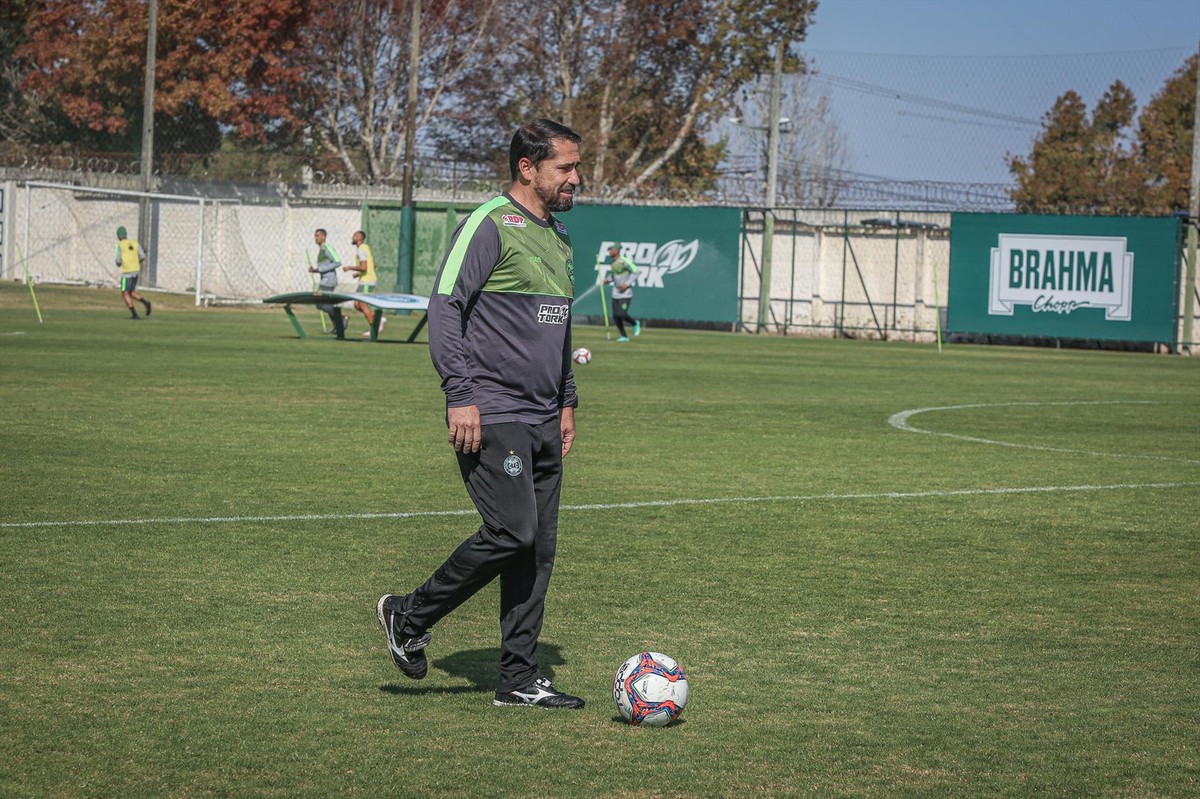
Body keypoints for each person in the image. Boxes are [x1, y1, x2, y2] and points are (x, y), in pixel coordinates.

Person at [377, 119, 585, 710]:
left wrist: (567, 400)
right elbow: (445, 307)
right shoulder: (488, 224)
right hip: (492, 410)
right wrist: (459, 393)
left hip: (545, 415)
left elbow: (560, 328)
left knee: (537, 549)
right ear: (528, 168)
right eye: (564, 167)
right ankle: (408, 614)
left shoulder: (562, 236)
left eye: (576, 165)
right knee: (512, 531)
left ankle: (518, 677)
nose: (576, 176)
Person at [341, 230, 386, 338]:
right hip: (365, 279)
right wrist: (358, 274)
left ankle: (375, 328)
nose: (352, 237)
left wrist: (349, 268)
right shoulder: (365, 248)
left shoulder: (361, 250)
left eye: (354, 235)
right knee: (357, 304)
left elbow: (364, 267)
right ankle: (378, 318)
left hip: (367, 281)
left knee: (362, 304)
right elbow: (373, 264)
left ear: (359, 238)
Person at [308, 228, 345, 339]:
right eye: (315, 236)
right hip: (325, 279)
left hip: (329, 280)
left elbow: (338, 261)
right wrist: (315, 270)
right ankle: (338, 326)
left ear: (324, 237)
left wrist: (320, 269)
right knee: (327, 304)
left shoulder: (327, 248)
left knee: (320, 303)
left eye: (318, 236)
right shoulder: (321, 249)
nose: (316, 238)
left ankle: (342, 318)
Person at [603, 244, 640, 341]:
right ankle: (624, 336)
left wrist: (627, 284)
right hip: (616, 293)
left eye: (611, 250)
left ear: (617, 250)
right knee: (616, 316)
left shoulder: (624, 261)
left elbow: (636, 271)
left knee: (622, 314)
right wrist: (607, 280)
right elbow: (615, 276)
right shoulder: (613, 263)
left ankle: (635, 323)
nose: (609, 252)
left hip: (625, 293)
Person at [114, 226, 151, 320]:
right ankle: (145, 303)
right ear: (126, 235)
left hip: (127, 272)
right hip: (136, 271)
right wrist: (135, 262)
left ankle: (134, 314)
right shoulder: (135, 243)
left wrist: (121, 263)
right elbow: (142, 256)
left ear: (118, 236)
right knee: (131, 292)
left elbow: (118, 261)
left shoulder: (120, 245)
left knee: (125, 293)